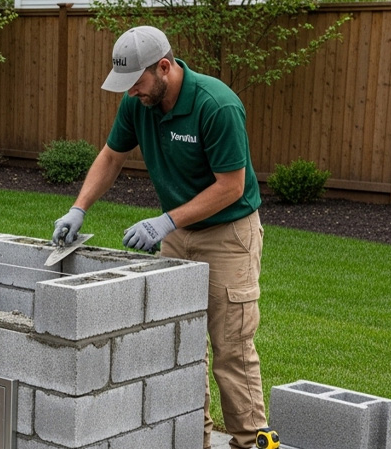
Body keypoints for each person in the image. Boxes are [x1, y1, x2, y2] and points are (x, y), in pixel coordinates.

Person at [50, 26, 266, 449]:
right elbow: (112, 155)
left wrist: (165, 222)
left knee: (231, 350)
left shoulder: (216, 105)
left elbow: (231, 187)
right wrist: (79, 207)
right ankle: (192, 438)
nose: (131, 93)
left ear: (164, 66)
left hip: (228, 235)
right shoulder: (139, 103)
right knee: (181, 341)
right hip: (177, 232)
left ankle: (247, 441)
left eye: (136, 83)